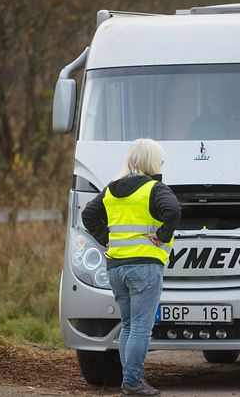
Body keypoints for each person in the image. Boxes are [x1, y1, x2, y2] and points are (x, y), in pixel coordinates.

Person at [82, 138, 181, 397]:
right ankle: (133, 383)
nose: (161, 164)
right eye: (159, 159)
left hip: (116, 267)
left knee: (127, 325)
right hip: (145, 266)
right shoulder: (154, 188)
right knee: (140, 327)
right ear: (151, 161)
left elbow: (88, 215)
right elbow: (174, 210)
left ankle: (130, 380)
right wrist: (162, 233)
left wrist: (106, 238)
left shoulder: (111, 189)